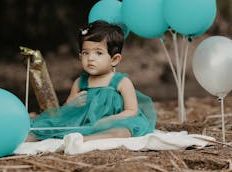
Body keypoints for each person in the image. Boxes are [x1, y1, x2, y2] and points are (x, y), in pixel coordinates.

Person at [28, 20, 157, 142]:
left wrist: (109, 120)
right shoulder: (80, 83)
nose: (90, 58)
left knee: (123, 132)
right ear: (80, 56)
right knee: (49, 126)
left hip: (113, 122)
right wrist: (72, 103)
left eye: (98, 53)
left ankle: (85, 140)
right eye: (85, 53)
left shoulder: (121, 82)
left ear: (114, 59)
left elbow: (131, 111)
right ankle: (25, 138)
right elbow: (66, 110)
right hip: (83, 123)